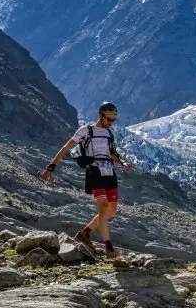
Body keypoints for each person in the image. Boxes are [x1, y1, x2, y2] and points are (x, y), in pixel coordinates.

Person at [42, 102, 134, 259]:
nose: (111, 123)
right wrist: (51, 167)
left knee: (112, 210)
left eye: (114, 120)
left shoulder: (109, 134)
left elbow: (111, 153)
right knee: (103, 207)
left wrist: (123, 163)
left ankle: (84, 233)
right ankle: (109, 249)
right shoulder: (86, 130)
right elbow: (66, 148)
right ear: (101, 116)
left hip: (109, 172)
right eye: (109, 119)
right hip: (94, 171)